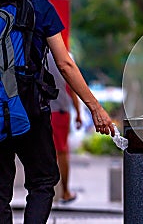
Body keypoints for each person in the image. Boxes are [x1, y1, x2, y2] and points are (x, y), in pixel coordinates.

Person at [0, 0, 115, 223]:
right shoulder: (41, 7)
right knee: (42, 182)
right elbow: (65, 64)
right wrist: (95, 108)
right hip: (31, 109)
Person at [48, 52, 82, 204]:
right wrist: (78, 112)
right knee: (61, 151)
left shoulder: (34, 49)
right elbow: (72, 86)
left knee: (47, 151)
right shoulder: (65, 55)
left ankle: (48, 191)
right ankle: (65, 191)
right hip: (60, 110)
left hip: (40, 110)